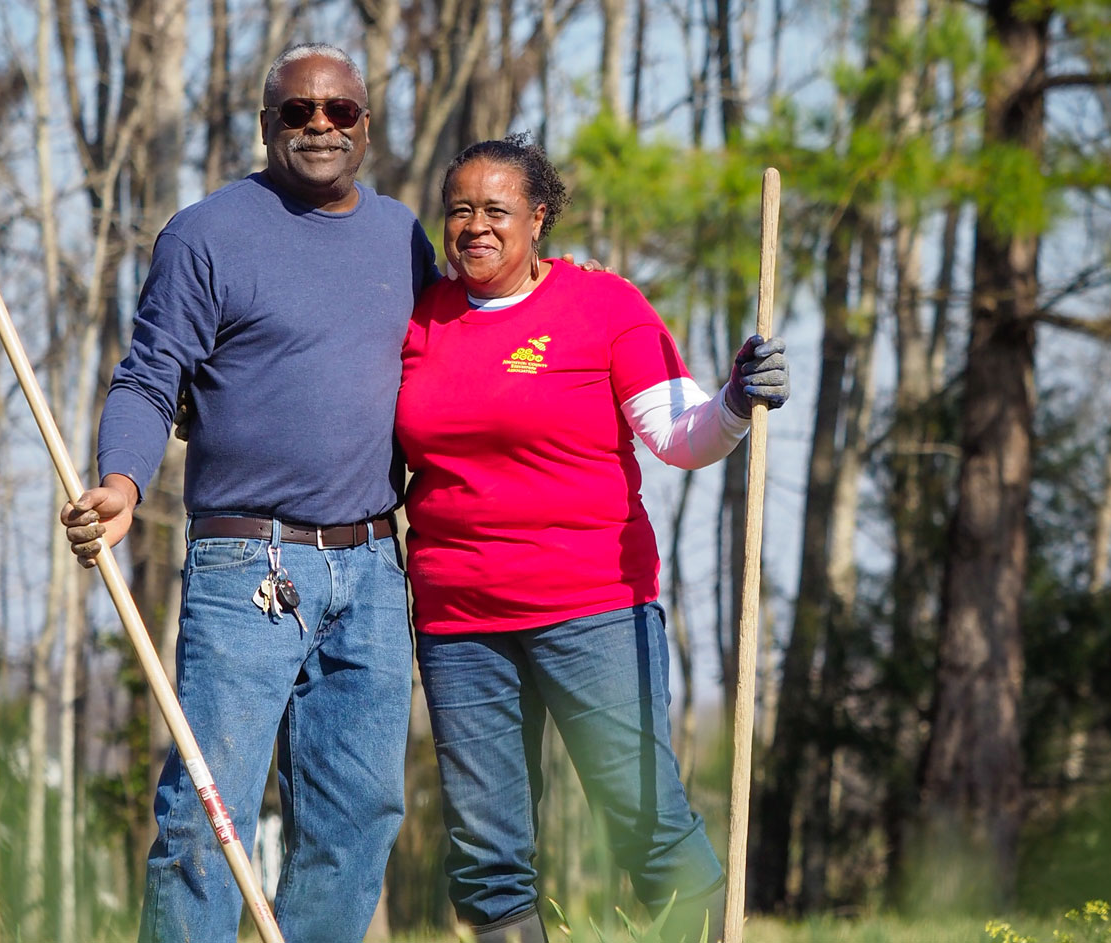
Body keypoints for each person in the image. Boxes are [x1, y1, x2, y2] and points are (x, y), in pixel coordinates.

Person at [60, 43, 433, 942]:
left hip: (377, 567)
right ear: (265, 125)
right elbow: (151, 378)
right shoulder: (208, 234)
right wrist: (121, 482)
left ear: (365, 125)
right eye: (297, 111)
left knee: (360, 814)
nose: (319, 125)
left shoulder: (405, 237)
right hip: (248, 565)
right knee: (206, 811)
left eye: (338, 111)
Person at [394, 135, 790, 943]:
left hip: (594, 609)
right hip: (458, 622)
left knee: (644, 819)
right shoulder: (421, 319)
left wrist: (736, 399)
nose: (474, 226)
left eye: (495, 210)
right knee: (486, 853)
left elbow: (680, 435)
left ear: (537, 218)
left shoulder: (602, 306)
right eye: (459, 210)